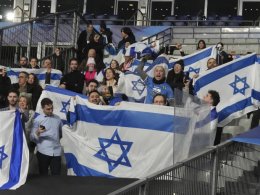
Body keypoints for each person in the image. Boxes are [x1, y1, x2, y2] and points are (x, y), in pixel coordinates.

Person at [30, 98, 63, 175]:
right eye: (48, 109)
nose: (51, 111)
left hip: (56, 152)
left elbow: (61, 133)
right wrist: (37, 132)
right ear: (42, 108)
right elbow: (32, 137)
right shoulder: (37, 120)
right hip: (43, 152)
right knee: (43, 177)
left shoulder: (58, 118)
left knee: (56, 176)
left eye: (52, 108)